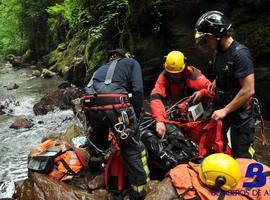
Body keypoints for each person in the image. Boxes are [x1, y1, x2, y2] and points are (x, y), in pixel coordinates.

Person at [83, 49, 149, 199]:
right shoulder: (132, 63)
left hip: (90, 106)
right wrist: (136, 117)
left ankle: (93, 168)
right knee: (131, 146)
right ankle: (139, 190)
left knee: (98, 135)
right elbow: (138, 90)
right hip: (116, 106)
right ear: (126, 56)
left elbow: (88, 88)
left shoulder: (100, 68)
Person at [195, 11, 255, 158]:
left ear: (217, 35)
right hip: (222, 105)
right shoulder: (218, 52)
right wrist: (216, 82)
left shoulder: (240, 54)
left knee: (242, 156)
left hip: (239, 114)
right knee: (216, 146)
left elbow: (248, 90)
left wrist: (225, 110)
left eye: (207, 38)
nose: (207, 42)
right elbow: (224, 72)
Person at [150, 50, 212, 138]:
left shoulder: (194, 76)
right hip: (176, 111)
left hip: (197, 115)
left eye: (177, 73)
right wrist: (160, 120)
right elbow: (155, 96)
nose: (174, 76)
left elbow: (213, 90)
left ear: (184, 68)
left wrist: (202, 93)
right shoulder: (164, 76)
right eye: (172, 73)